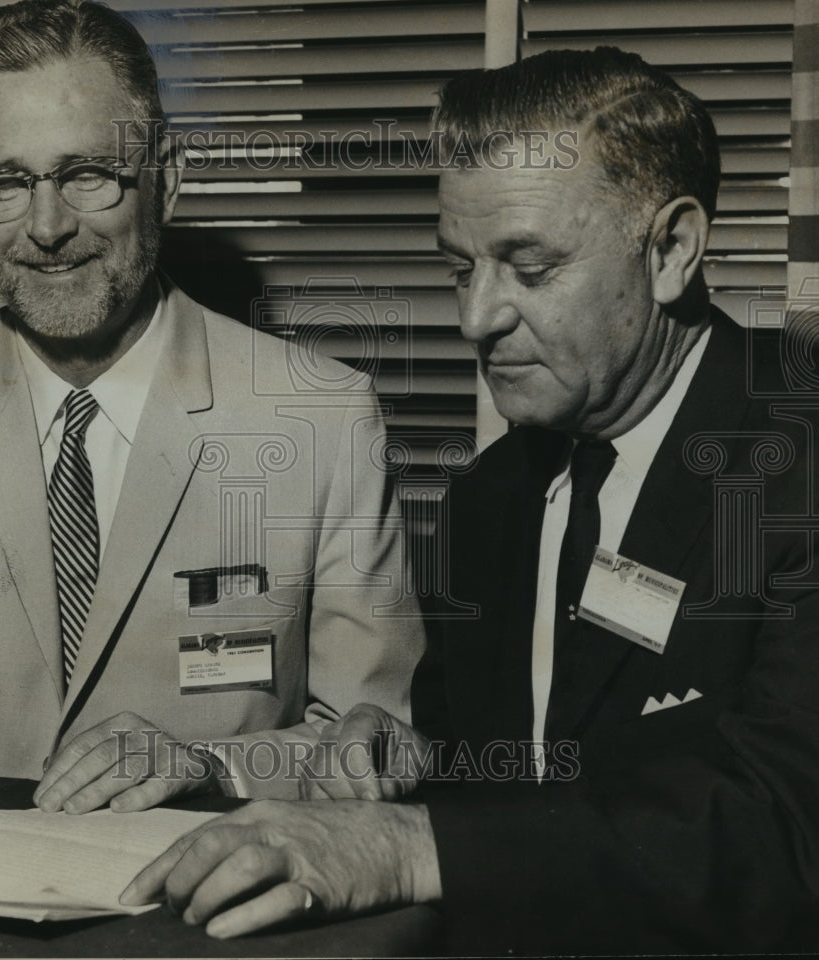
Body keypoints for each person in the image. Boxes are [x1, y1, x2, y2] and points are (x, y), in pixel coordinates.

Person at [119, 47, 819, 953]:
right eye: (460, 268)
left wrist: (416, 845)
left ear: (672, 250)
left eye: (529, 268)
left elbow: (790, 825)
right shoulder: (490, 498)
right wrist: (399, 759)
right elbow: (508, 774)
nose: (477, 317)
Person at [0, 0, 423, 861]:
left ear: (167, 178)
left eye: (88, 175)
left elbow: (379, 749)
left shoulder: (319, 417)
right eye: (6, 184)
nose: (47, 229)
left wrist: (213, 764)